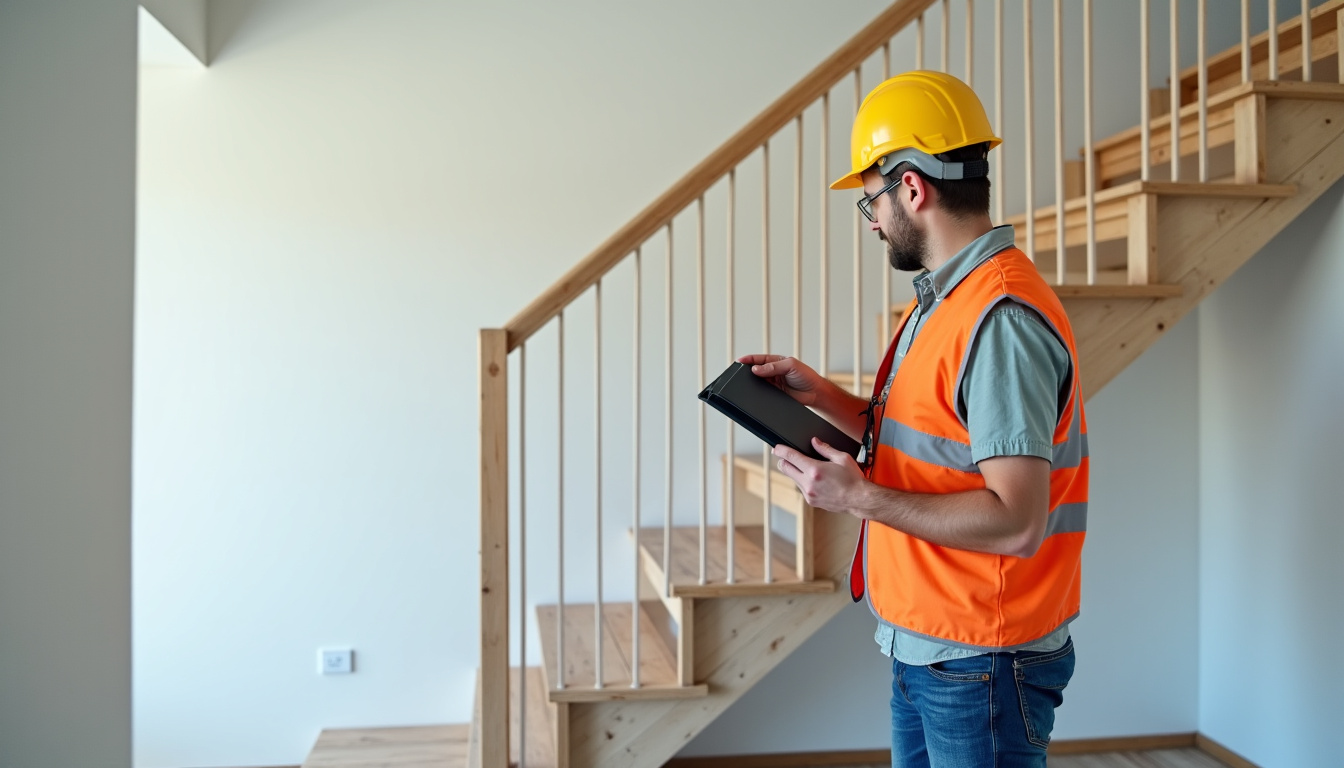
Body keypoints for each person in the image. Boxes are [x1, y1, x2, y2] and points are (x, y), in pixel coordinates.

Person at [739, 71, 1088, 767]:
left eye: (870, 201)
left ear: (911, 187)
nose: (871, 222)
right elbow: (936, 436)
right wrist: (824, 397)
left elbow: (1018, 521)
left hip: (981, 660)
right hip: (933, 647)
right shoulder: (943, 302)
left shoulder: (999, 320)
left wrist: (857, 496)